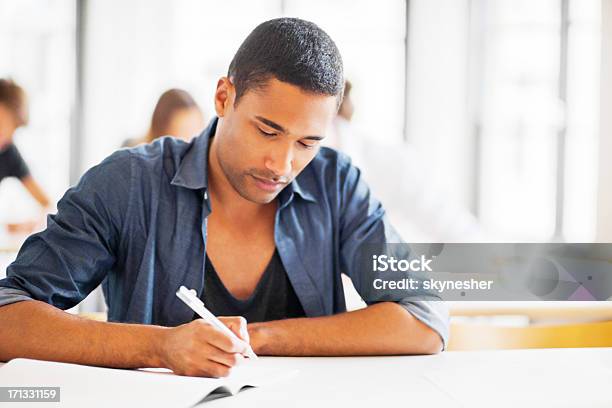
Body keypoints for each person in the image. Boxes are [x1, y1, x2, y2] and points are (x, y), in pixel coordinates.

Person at [0, 18, 449, 378]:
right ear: (223, 96)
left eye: (307, 142)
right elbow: (7, 315)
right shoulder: (126, 183)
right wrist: (161, 346)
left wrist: (258, 337)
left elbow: (423, 320)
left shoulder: (338, 185)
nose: (282, 163)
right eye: (268, 130)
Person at [0, 79, 51, 233]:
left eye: (12, 129)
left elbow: (47, 204)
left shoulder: (8, 151)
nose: (5, 137)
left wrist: (29, 224)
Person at [122, 88, 205, 147]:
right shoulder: (131, 153)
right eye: (184, 131)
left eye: (196, 128)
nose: (191, 139)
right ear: (162, 128)